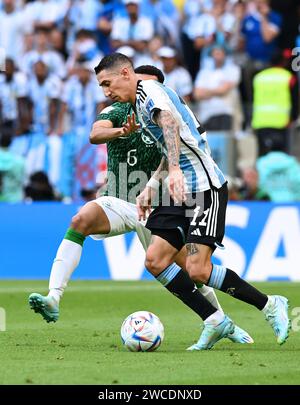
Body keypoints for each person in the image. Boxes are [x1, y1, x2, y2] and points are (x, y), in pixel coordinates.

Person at [28, 65, 252, 347]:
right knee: (80, 220)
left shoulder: (163, 117)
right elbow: (95, 133)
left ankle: (220, 321)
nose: (149, 93)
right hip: (120, 200)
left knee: (191, 269)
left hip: (161, 208)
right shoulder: (119, 110)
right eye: (145, 84)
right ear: (132, 78)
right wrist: (122, 131)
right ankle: (54, 296)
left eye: (156, 88)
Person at [95, 53, 290, 350]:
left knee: (198, 269)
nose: (106, 91)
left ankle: (270, 304)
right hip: (178, 191)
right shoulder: (139, 100)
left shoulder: (148, 91)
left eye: (107, 83)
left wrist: (174, 170)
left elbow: (170, 123)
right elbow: (169, 143)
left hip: (203, 189)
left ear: (125, 73)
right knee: (156, 260)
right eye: (101, 86)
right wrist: (152, 184)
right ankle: (215, 321)